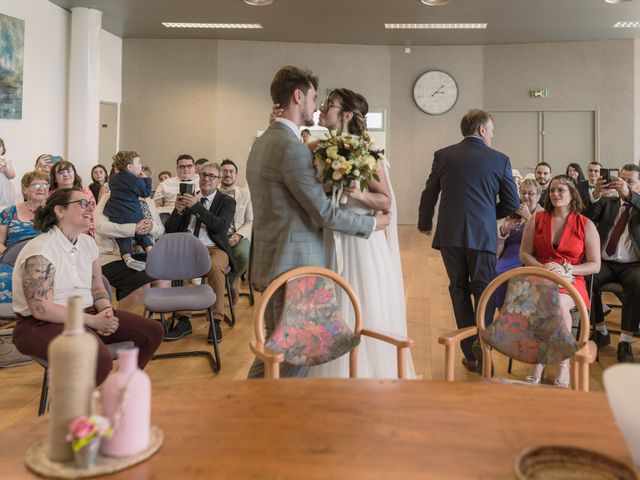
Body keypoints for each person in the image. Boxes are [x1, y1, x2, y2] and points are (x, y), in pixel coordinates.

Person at [246, 66, 389, 378]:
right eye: (313, 98)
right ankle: (270, 420)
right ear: (298, 96)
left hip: (274, 258)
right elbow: (324, 212)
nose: (317, 106)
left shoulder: (264, 141)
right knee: (295, 359)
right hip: (295, 266)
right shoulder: (291, 149)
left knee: (275, 353)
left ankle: (250, 412)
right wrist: (371, 225)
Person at [306, 88, 415, 379]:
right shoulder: (317, 149)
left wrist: (357, 195)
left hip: (362, 244)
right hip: (329, 238)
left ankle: (363, 373)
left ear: (347, 114)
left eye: (329, 104)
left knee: (362, 303)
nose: (322, 108)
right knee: (331, 306)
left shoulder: (367, 153)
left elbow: (386, 201)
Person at [11, 188, 164, 385]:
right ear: (60, 210)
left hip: (87, 313)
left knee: (153, 331)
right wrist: (93, 321)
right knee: (98, 359)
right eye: (82, 204)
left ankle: (120, 387)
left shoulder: (87, 243)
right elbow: (42, 309)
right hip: (40, 325)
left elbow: (96, 286)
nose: (90, 208)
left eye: (90, 204)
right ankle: (76, 411)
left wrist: (107, 313)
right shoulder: (41, 250)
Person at [418, 109, 520, 373]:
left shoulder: (444, 155)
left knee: (459, 289)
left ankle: (469, 350)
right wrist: (487, 215)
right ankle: (482, 346)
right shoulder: (499, 159)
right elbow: (512, 203)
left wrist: (425, 222)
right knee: (484, 290)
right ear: (482, 130)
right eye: (492, 132)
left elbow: (429, 192)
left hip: (450, 234)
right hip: (482, 236)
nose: (492, 137)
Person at [520, 175, 600, 386]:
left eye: (561, 190)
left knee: (558, 303)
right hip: (541, 274)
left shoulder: (586, 224)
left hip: (571, 279)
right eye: (553, 190)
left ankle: (560, 363)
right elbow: (524, 254)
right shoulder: (536, 219)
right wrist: (544, 268)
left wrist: (568, 269)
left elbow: (595, 265)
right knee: (546, 301)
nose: (555, 194)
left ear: (572, 194)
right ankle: (544, 361)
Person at [164, 162, 235, 342]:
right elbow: (170, 231)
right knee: (184, 269)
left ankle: (216, 321)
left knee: (215, 268)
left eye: (211, 176)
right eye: (203, 175)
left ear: (218, 181)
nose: (206, 179)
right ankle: (183, 319)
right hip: (189, 248)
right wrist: (178, 212)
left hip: (215, 248)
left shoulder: (227, 201)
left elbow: (219, 227)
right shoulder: (189, 198)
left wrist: (196, 207)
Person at [583, 164, 640, 363]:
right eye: (621, 179)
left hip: (634, 265)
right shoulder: (609, 202)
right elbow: (586, 218)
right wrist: (596, 194)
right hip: (605, 262)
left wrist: (629, 196)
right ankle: (600, 329)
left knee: (638, 284)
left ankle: (625, 340)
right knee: (586, 278)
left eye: (630, 181)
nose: (623, 183)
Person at [95, 187, 168, 313]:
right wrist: (134, 228)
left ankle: (146, 320)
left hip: (144, 253)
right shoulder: (108, 198)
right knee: (141, 285)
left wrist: (151, 226)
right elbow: (100, 227)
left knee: (164, 276)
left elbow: (160, 231)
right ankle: (118, 322)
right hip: (114, 256)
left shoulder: (148, 201)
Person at [0, 171, 49, 304]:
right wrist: (12, 258)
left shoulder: (54, 213)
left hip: (47, 260)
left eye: (45, 185)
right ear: (25, 189)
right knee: (6, 281)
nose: (41, 188)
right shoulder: (8, 212)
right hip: (13, 260)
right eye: (36, 184)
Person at [495, 178, 543, 307]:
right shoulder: (512, 212)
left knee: (515, 277)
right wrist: (503, 232)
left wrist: (529, 218)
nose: (526, 196)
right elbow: (499, 248)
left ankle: (516, 315)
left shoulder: (543, 215)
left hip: (532, 255)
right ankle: (502, 315)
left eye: (530, 193)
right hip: (509, 253)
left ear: (538, 196)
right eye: (523, 193)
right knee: (495, 272)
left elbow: (543, 241)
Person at [103, 151, 153, 272]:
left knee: (123, 238)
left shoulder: (113, 179)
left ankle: (127, 258)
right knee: (141, 233)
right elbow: (145, 193)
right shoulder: (136, 180)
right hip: (132, 213)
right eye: (138, 163)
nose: (141, 165)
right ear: (130, 167)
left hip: (116, 214)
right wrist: (147, 179)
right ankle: (151, 252)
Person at [218, 158, 253, 304]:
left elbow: (250, 220)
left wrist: (238, 235)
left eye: (231, 171)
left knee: (244, 255)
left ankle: (230, 281)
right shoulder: (213, 192)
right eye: (225, 171)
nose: (228, 174)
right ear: (220, 174)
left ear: (236, 175)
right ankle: (215, 293)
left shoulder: (244, 194)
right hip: (217, 236)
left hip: (239, 233)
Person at [50, 160, 96, 237]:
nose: (66, 175)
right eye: (61, 173)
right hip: (56, 234)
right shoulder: (50, 195)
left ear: (74, 174)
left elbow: (92, 214)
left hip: (84, 232)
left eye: (69, 171)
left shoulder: (85, 192)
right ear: (55, 178)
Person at [0, 138, 16, 211]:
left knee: (6, 207)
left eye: (0, 146)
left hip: (5, 188)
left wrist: (6, 170)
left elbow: (12, 176)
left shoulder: (6, 161)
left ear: (3, 149)